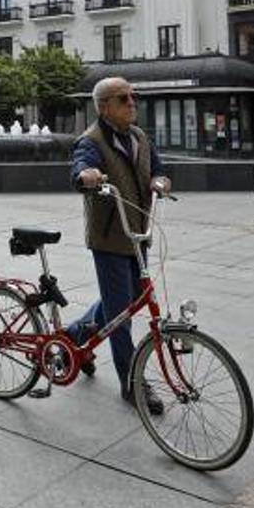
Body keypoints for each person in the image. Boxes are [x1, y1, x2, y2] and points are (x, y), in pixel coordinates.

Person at [66, 76, 170, 413]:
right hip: (110, 237)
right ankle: (131, 383)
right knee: (121, 312)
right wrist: (86, 176)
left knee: (128, 299)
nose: (132, 103)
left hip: (139, 234)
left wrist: (160, 179)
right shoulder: (91, 140)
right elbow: (80, 166)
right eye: (123, 98)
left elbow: (157, 167)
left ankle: (73, 338)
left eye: (133, 97)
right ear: (104, 107)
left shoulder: (139, 136)